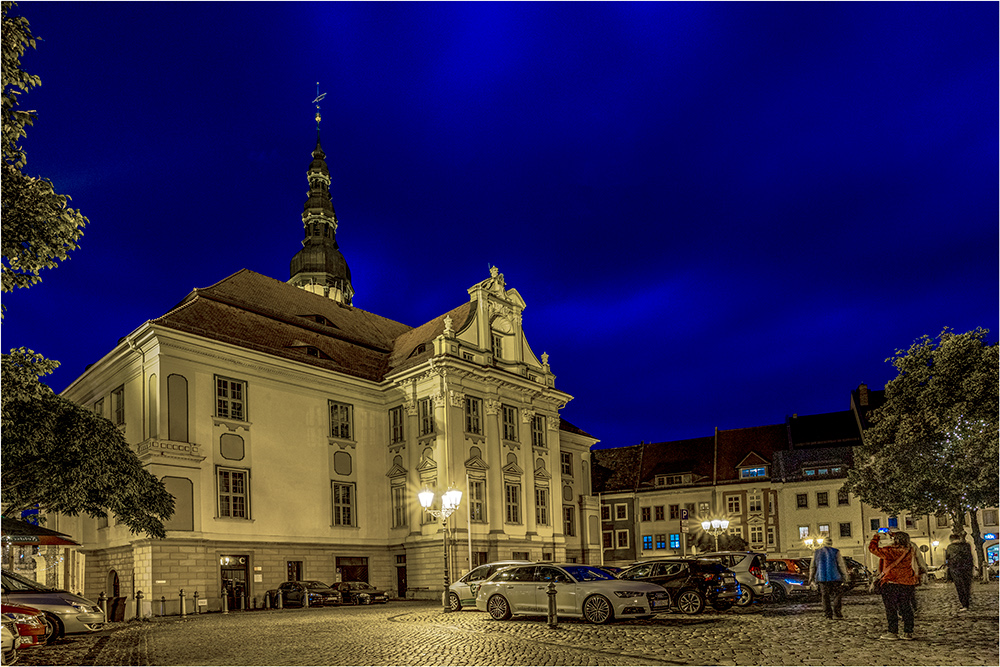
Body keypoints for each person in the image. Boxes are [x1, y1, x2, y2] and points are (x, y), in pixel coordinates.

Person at [869, 530, 919, 640]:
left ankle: (893, 632)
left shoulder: (889, 550)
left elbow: (872, 549)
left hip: (891, 582)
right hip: (906, 582)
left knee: (891, 608)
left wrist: (876, 537)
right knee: (906, 607)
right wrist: (893, 534)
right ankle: (908, 632)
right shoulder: (909, 549)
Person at [807, 536, 849, 619]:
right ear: (831, 543)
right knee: (837, 595)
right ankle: (837, 612)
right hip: (835, 577)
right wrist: (845, 576)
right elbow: (841, 565)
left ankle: (828, 614)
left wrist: (811, 577)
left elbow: (813, 566)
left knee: (825, 596)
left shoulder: (816, 552)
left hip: (822, 578)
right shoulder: (836, 552)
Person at [945, 533, 974, 611]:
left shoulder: (950, 547)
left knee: (960, 587)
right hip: (967, 569)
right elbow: (970, 557)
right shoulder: (967, 545)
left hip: (955, 570)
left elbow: (947, 559)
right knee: (967, 587)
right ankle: (967, 602)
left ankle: (964, 604)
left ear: (951, 540)